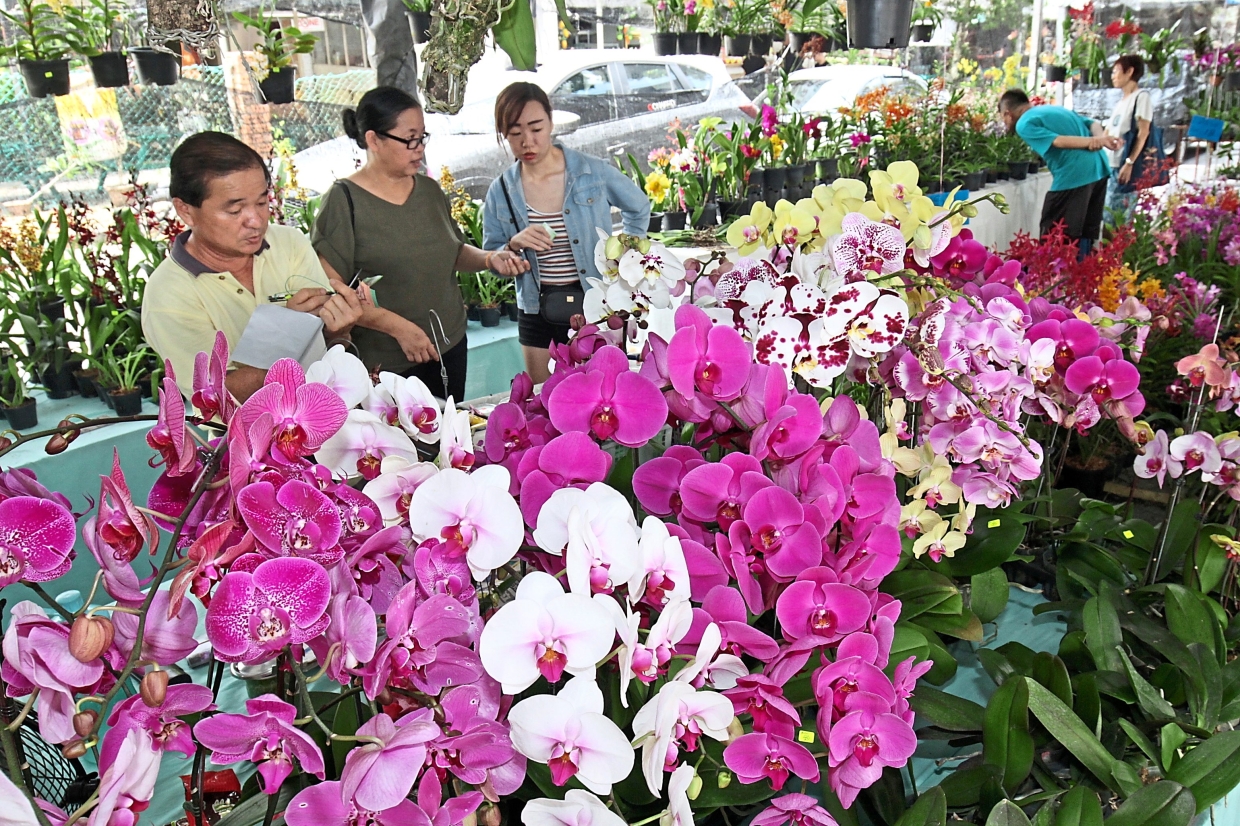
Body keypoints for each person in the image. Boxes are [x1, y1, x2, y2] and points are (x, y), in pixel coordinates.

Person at [312, 86, 528, 401]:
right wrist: (397, 327)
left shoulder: (428, 191)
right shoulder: (344, 201)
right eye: (410, 139)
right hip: (387, 361)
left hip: (448, 344)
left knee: (447, 438)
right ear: (374, 140)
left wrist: (488, 259)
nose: (419, 149)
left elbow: (451, 251)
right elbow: (330, 292)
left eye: (423, 138)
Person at [142, 131, 365, 403]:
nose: (256, 221)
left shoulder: (288, 243)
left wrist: (338, 328)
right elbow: (219, 400)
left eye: (262, 202)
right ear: (186, 210)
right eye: (235, 211)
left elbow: (330, 349)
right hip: (245, 440)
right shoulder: (168, 294)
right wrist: (289, 332)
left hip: (316, 413)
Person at [482, 82, 650, 385]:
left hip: (594, 302)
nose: (527, 141)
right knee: (543, 400)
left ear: (550, 123)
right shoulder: (502, 190)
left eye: (536, 128)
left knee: (602, 390)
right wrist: (511, 247)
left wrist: (626, 256)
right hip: (537, 308)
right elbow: (492, 255)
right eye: (515, 133)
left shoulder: (590, 173)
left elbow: (638, 207)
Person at [999, 89, 1124, 257]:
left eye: (1003, 119)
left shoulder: (1024, 123)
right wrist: (1100, 138)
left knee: (1055, 235)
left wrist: (1095, 141)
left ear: (1008, 113)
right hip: (1099, 169)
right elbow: (1092, 124)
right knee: (1086, 232)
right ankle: (1083, 275)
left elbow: (1057, 141)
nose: (1005, 124)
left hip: (1075, 174)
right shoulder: (1053, 109)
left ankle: (1058, 280)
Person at [1104, 54, 1154, 220]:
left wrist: (1129, 162)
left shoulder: (1141, 97)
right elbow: (1108, 133)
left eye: (1116, 71)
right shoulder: (1121, 101)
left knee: (1118, 218)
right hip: (1111, 165)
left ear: (1130, 71)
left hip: (1124, 165)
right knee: (1107, 214)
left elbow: (1143, 132)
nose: (1113, 76)